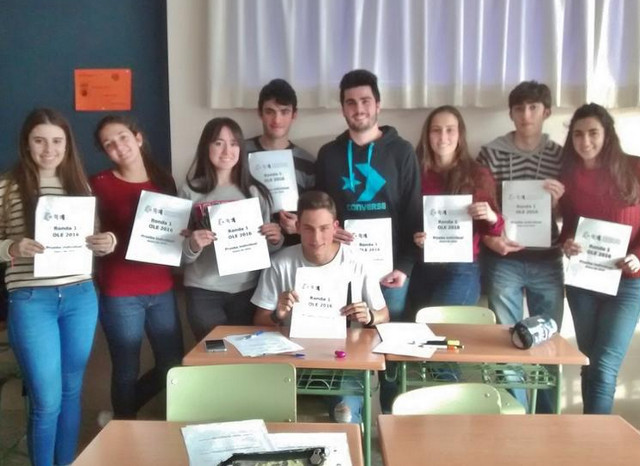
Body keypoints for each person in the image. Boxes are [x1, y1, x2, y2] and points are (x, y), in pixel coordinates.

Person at [0, 108, 115, 466]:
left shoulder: (80, 186)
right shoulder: (7, 186)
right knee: (47, 401)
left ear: (67, 145)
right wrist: (12, 247)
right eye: (40, 140)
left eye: (56, 141)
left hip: (80, 297)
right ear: (26, 143)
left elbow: (93, 238)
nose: (48, 149)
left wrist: (107, 242)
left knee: (70, 393)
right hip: (32, 300)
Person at [315, 69, 421, 413]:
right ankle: (350, 416)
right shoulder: (328, 154)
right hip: (340, 271)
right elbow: (319, 212)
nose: (358, 109)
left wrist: (404, 267)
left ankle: (390, 417)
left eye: (365, 101)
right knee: (344, 347)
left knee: (390, 350)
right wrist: (329, 231)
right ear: (342, 108)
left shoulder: (402, 152)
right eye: (351, 102)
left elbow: (413, 213)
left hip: (391, 275)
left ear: (378, 105)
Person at [252, 190, 389, 423]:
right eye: (308, 228)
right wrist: (278, 315)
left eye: (324, 228)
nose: (316, 238)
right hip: (292, 362)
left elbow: (384, 315)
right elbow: (259, 320)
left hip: (345, 361)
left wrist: (369, 317)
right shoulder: (280, 263)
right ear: (297, 227)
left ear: (335, 227)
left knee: (345, 415)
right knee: (269, 415)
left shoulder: (358, 262)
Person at [477, 81, 565, 413]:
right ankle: (517, 416)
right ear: (511, 113)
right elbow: (479, 204)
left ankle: (547, 419)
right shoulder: (490, 153)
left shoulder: (561, 156)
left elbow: (571, 214)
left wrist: (559, 203)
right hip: (504, 260)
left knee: (549, 342)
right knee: (507, 342)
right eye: (519, 108)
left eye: (533, 108)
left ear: (547, 112)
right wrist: (490, 238)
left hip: (547, 259)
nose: (526, 115)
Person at [91, 115, 184, 420]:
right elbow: (89, 232)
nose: (119, 146)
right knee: (126, 368)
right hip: (120, 290)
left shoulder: (164, 181)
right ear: (105, 152)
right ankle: (124, 427)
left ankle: (121, 416)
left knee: (172, 365)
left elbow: (174, 230)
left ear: (138, 138)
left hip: (161, 287)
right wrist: (99, 241)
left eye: (122, 137)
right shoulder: (98, 184)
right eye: (109, 144)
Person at [560, 103, 640, 414]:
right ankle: (589, 435)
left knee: (604, 366)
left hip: (628, 284)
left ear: (607, 135)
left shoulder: (635, 168)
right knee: (589, 363)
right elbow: (569, 224)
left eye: (593, 133)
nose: (585, 141)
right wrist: (567, 243)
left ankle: (597, 438)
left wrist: (638, 256)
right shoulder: (569, 176)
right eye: (578, 134)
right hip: (584, 282)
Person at [180, 117, 283, 341]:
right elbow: (178, 255)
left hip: (248, 289)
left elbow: (266, 251)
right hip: (203, 290)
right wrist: (193, 245)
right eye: (219, 143)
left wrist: (275, 240)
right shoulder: (190, 191)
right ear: (206, 146)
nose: (227, 151)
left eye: (234, 143)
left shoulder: (255, 192)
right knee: (212, 354)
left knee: (246, 354)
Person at [410, 106, 503, 310]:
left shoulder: (477, 174)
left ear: (460, 135)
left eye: (450, 130)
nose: (443, 137)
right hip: (422, 265)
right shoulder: (414, 172)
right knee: (415, 324)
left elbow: (495, 230)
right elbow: (406, 219)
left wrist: (490, 216)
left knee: (439, 324)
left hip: (462, 267)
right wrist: (416, 236)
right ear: (427, 135)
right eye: (436, 130)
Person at [245, 79, 316, 240]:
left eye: (284, 112)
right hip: (248, 243)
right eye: (270, 111)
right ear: (260, 113)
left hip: (293, 246)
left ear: (294, 115)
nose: (277, 120)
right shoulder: (237, 153)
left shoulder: (308, 163)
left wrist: (299, 226)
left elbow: (315, 214)